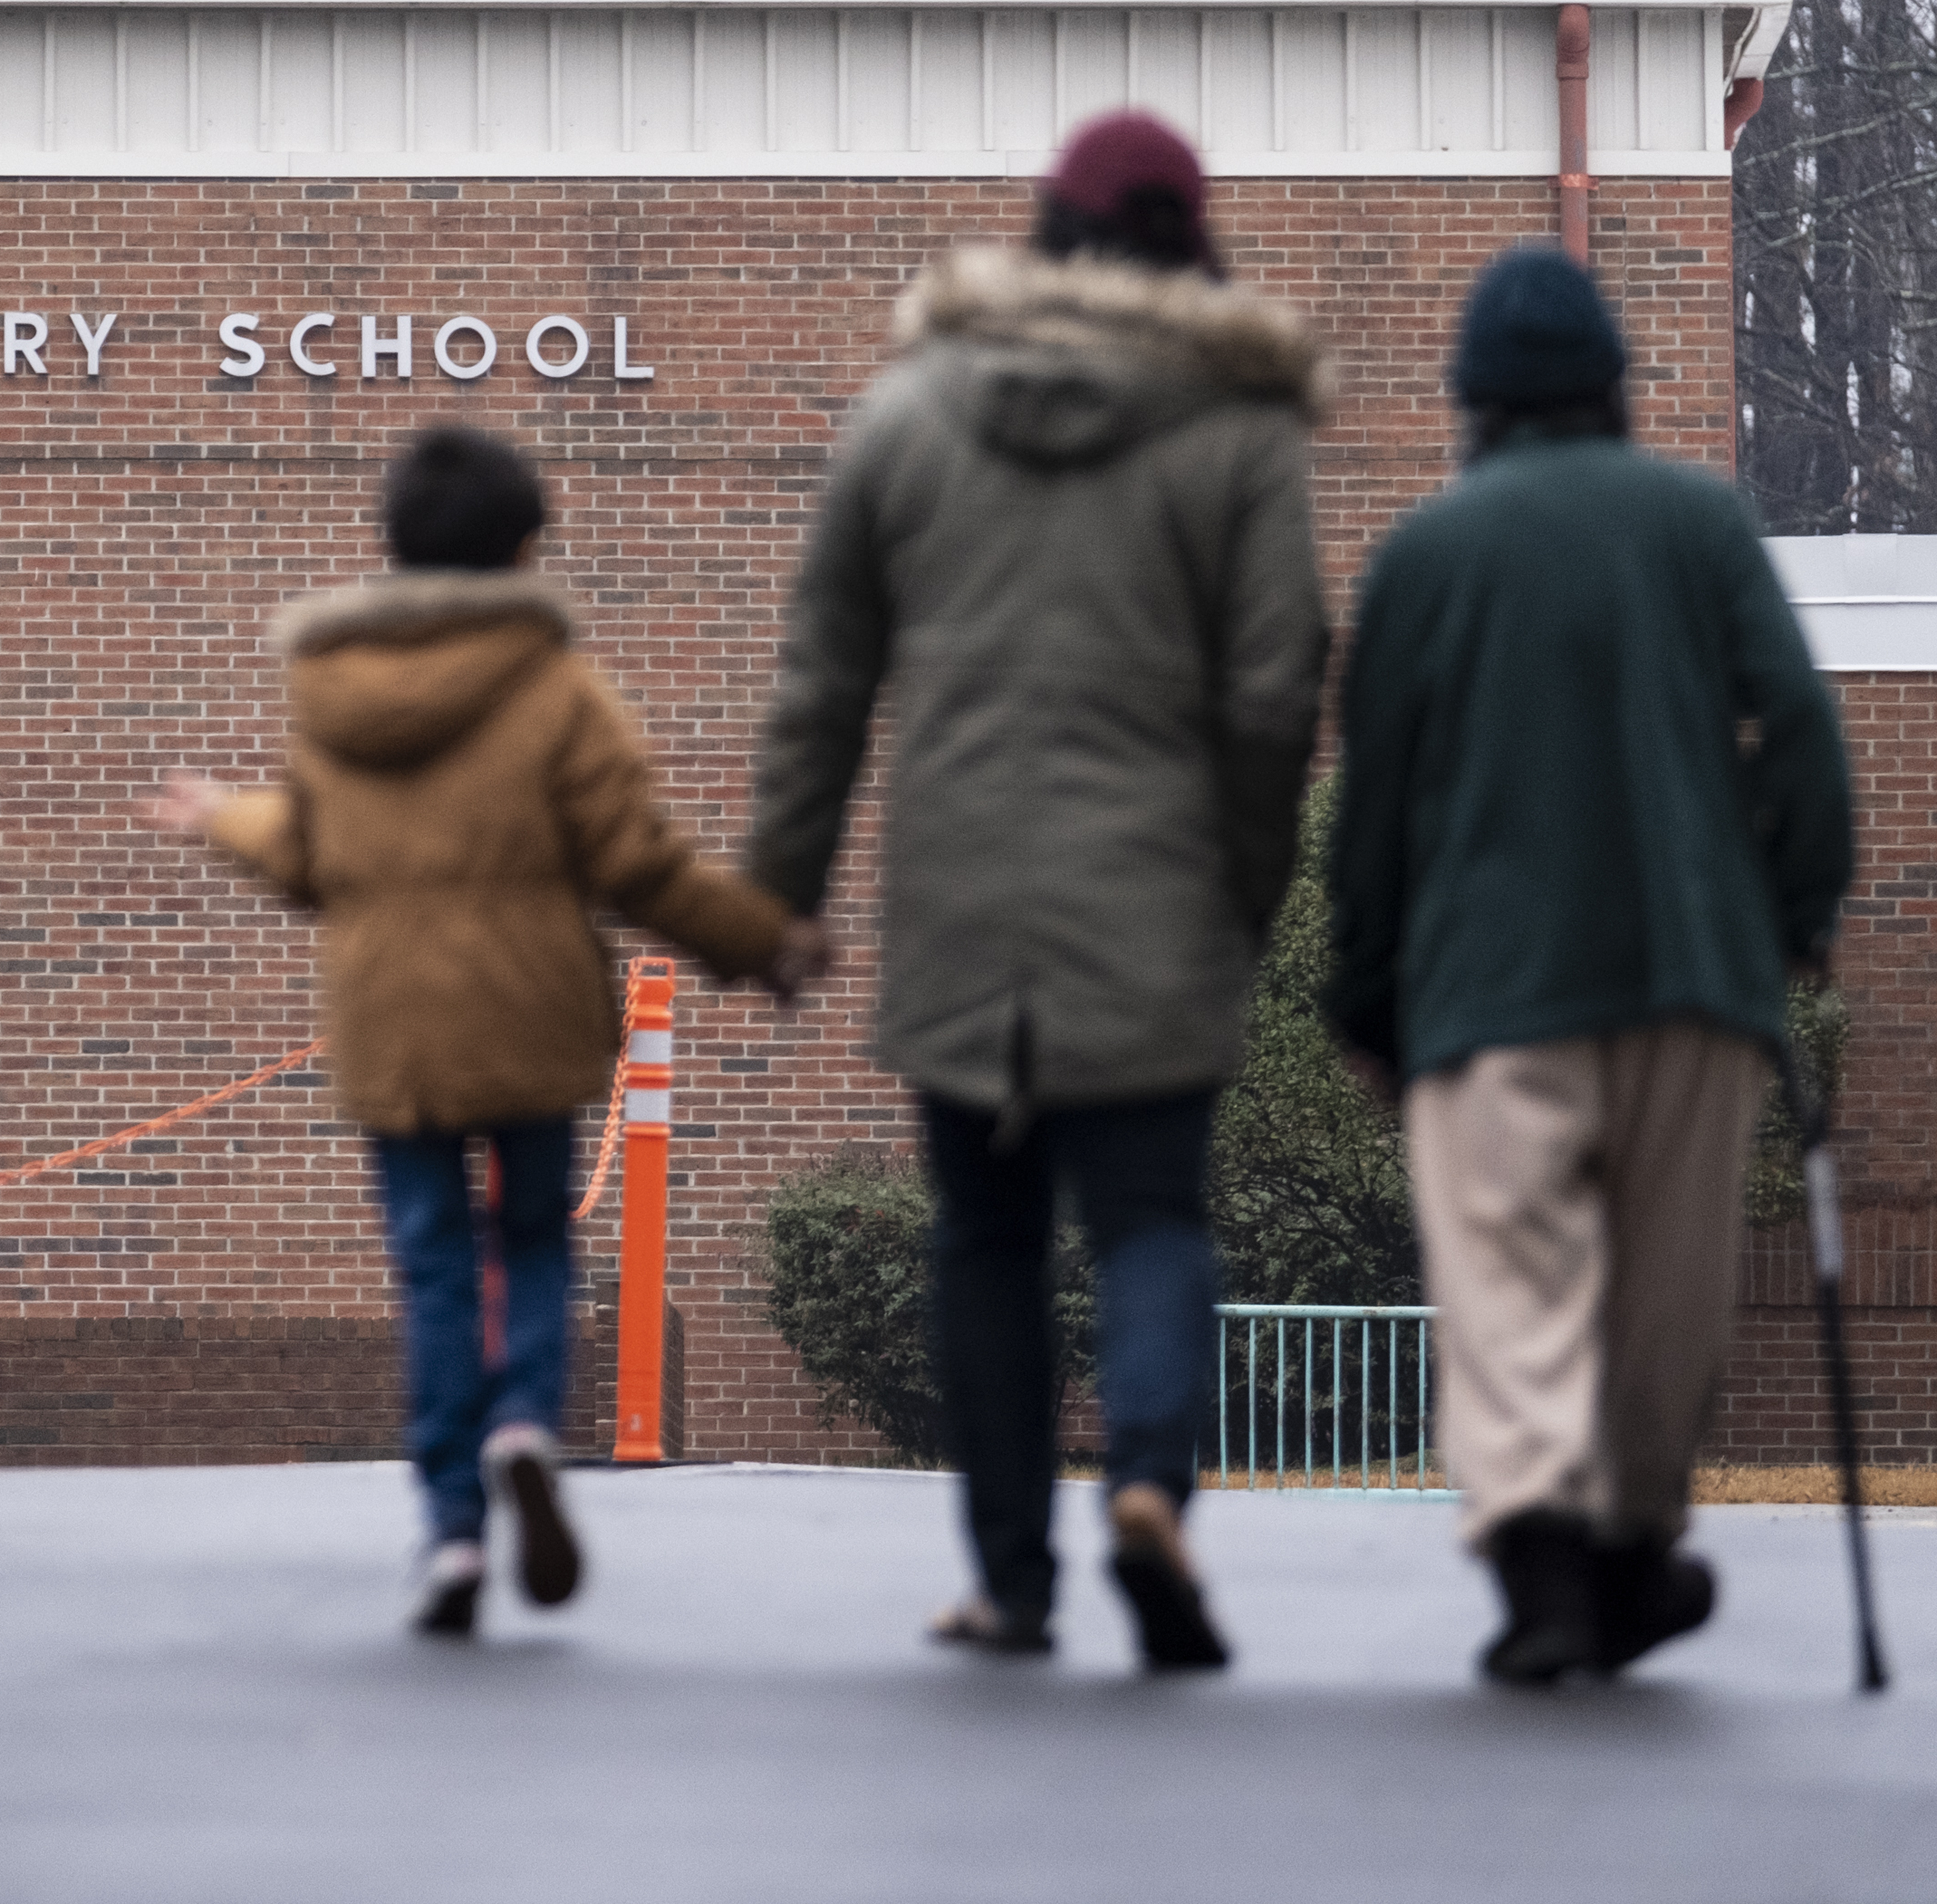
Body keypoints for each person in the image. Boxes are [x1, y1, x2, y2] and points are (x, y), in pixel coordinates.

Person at [747, 111, 1330, 1671]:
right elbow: (1280, 691)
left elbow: (822, 680)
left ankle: (1012, 1581)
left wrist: (780, 898)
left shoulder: (912, 412)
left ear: (1044, 235)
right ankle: (1147, 1480)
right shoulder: (1238, 429)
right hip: (1158, 901)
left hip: (963, 908)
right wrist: (1250, 885)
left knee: (984, 1239)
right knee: (1148, 1217)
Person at [148, 424, 807, 1637]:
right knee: (534, 1240)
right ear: (522, 548)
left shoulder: (331, 692)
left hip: (391, 1021)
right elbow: (636, 862)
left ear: (391, 547)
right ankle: (521, 1425)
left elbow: (307, 857)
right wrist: (755, 941)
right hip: (530, 1009)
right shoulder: (557, 688)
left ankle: (453, 1529)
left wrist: (220, 817)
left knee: (434, 1263)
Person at [1325, 245, 1854, 1686]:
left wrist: (1365, 994)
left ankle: (1547, 1565)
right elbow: (1803, 734)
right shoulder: (1700, 524)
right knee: (1664, 1293)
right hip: (1693, 978)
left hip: (1492, 996)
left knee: (1512, 1282)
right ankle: (1632, 1547)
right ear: (1616, 386)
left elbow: (1372, 812)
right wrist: (1793, 918)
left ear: (1474, 404)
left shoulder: (1426, 557)